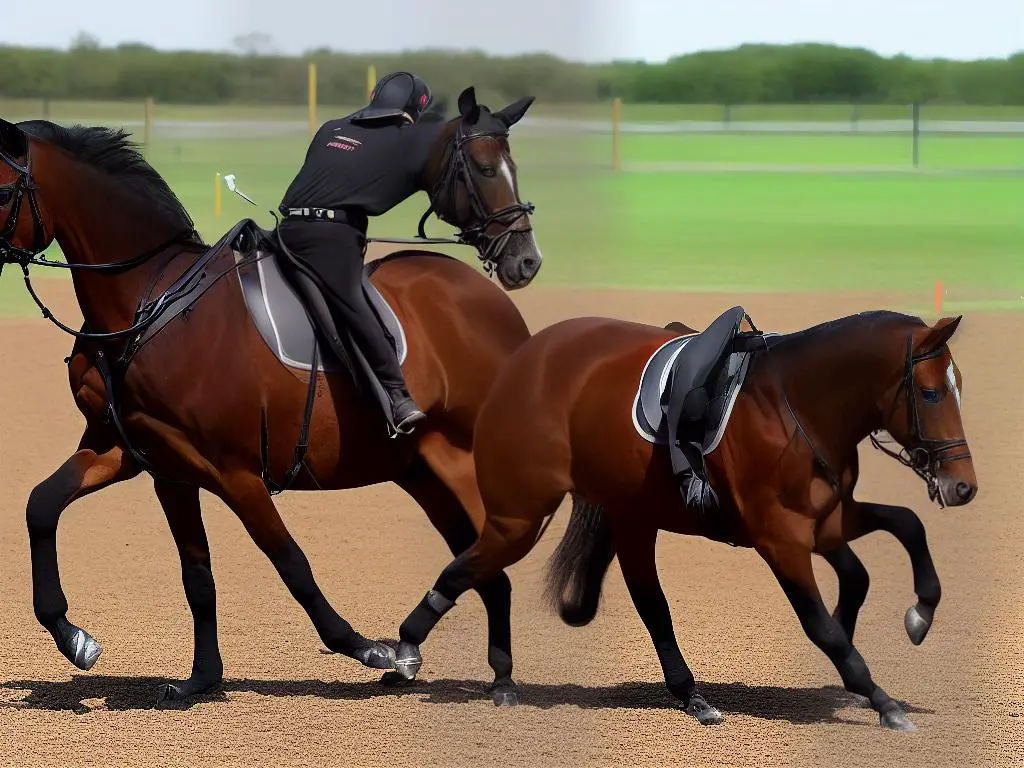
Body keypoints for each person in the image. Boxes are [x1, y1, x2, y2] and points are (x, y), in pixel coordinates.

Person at [277, 71, 440, 435]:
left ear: (373, 95)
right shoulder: (407, 140)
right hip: (330, 240)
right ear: (417, 109)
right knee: (354, 304)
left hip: (287, 231)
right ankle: (397, 396)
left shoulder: (332, 128)